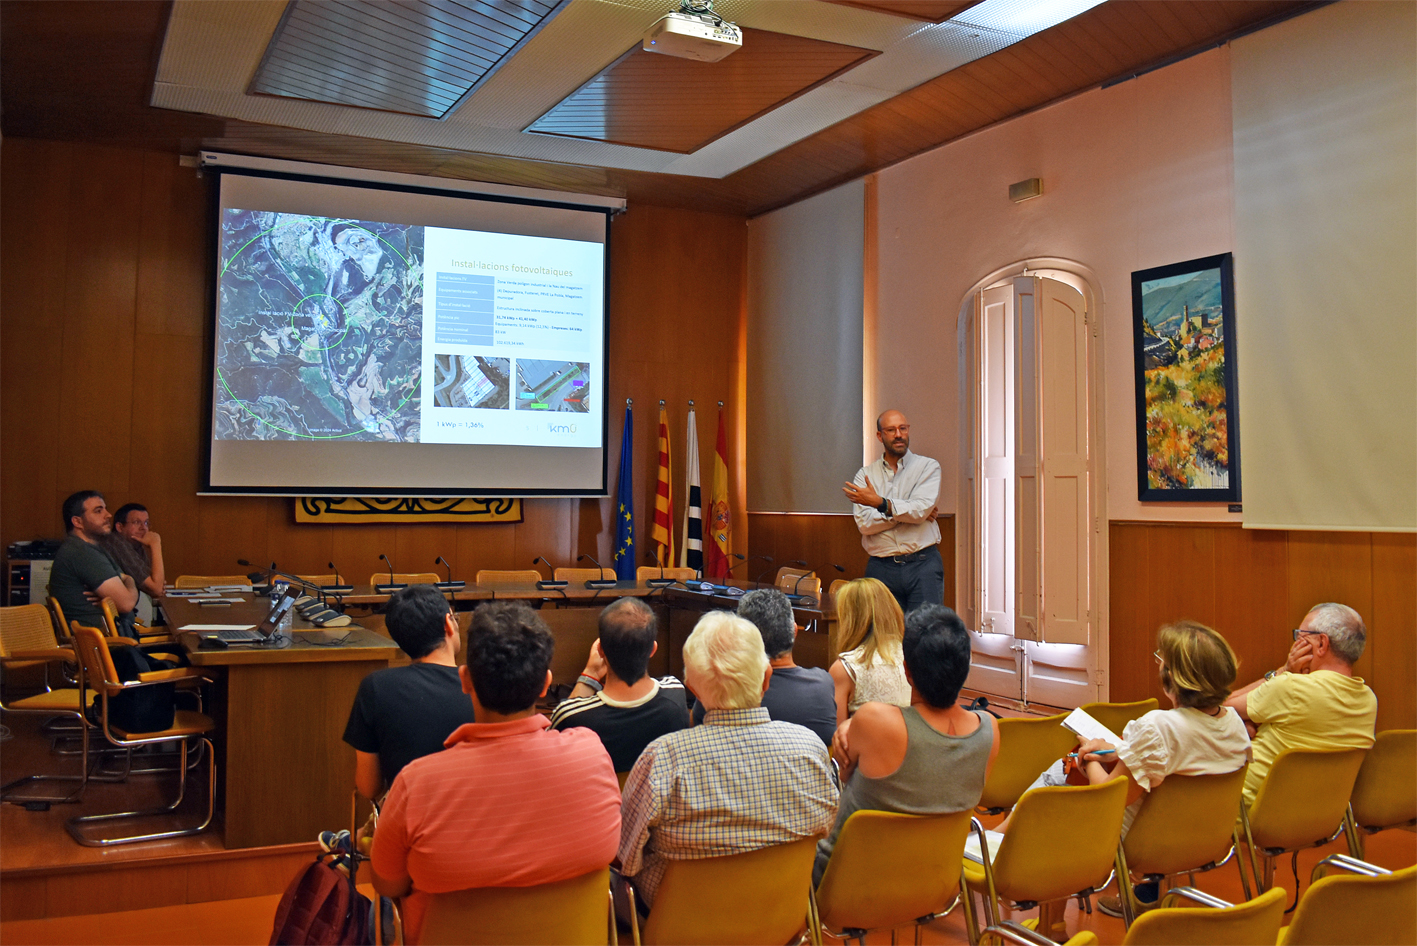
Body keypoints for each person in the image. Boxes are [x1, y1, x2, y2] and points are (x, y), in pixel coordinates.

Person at [369, 601, 621, 945]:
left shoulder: (417, 783)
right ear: (545, 684)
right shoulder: (591, 752)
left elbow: (388, 884)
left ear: (465, 680)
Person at [618, 611, 837, 914]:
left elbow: (628, 858)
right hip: (781, 909)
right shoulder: (811, 747)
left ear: (692, 689)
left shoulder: (663, 758)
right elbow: (827, 827)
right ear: (766, 679)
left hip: (686, 920)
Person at [1072, 620, 1250, 917]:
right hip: (1209, 840)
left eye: (1162, 662)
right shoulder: (1233, 722)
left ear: (1172, 678)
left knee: (1058, 796)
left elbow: (1108, 797)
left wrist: (1088, 757)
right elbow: (1188, 754)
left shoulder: (1158, 726)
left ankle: (1051, 928)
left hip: (1142, 845)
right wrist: (1118, 751)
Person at [815, 604, 999, 884]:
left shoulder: (873, 720)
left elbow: (839, 781)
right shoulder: (989, 729)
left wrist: (852, 724)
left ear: (906, 671)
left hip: (848, 880)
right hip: (935, 879)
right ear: (966, 667)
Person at [1224, 602, 1377, 807]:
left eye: (1301, 637)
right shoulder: (1368, 700)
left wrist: (1282, 671)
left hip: (1246, 810)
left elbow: (1221, 706)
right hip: (1316, 816)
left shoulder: (1290, 687)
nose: (1295, 644)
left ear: (1322, 644)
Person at [342, 584, 476, 801]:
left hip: (408, 825)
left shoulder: (375, 687)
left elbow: (368, 787)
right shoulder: (482, 687)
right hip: (479, 822)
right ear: (448, 624)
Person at [549, 597, 691, 772]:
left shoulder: (571, 717)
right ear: (653, 649)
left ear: (600, 650)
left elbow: (550, 752)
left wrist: (590, 674)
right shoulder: (675, 693)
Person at [690, 588, 837, 745]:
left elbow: (695, 734)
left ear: (742, 639)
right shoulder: (823, 684)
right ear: (794, 631)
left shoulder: (721, 690)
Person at [843, 409, 943, 614]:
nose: (898, 434)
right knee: (883, 638)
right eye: (891, 430)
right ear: (880, 436)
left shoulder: (928, 467)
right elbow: (865, 524)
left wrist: (880, 503)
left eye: (903, 428)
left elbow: (920, 510)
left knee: (925, 636)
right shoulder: (865, 475)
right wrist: (910, 512)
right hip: (881, 567)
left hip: (922, 565)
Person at [47, 490, 139, 634]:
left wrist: (129, 581)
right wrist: (130, 585)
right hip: (105, 647)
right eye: (98, 511)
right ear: (78, 522)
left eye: (105, 509)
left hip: (114, 640)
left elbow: (125, 579)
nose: (108, 515)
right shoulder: (82, 553)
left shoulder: (92, 549)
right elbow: (126, 604)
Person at [829, 577, 911, 724]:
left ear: (850, 619)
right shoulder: (915, 655)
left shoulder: (846, 668)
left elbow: (835, 734)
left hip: (866, 745)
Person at [101, 503, 165, 600]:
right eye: (136, 522)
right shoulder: (117, 544)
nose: (143, 528)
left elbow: (154, 582)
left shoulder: (136, 544)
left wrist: (156, 583)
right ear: (120, 527)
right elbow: (156, 589)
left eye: (146, 523)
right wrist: (156, 545)